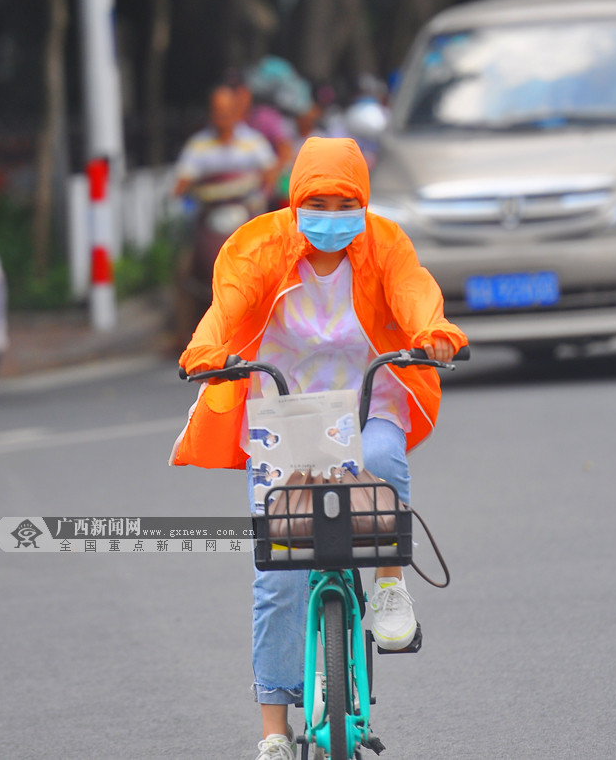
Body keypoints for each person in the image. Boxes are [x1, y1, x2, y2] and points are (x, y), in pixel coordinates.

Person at [172, 137, 468, 760]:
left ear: (363, 201)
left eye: (344, 201)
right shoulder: (260, 245)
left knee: (385, 460)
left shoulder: (384, 243)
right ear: (295, 200)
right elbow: (225, 307)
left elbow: (413, 290)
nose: (331, 213)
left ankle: (389, 582)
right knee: (276, 575)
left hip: (369, 405)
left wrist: (432, 331)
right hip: (282, 416)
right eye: (318, 200)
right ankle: (274, 733)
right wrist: (208, 350)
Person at [173, 85, 277, 197]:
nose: (222, 116)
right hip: (209, 208)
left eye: (226, 111)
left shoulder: (254, 141)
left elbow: (271, 171)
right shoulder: (197, 145)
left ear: (235, 111)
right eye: (218, 111)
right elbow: (183, 180)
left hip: (248, 208)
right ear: (211, 112)